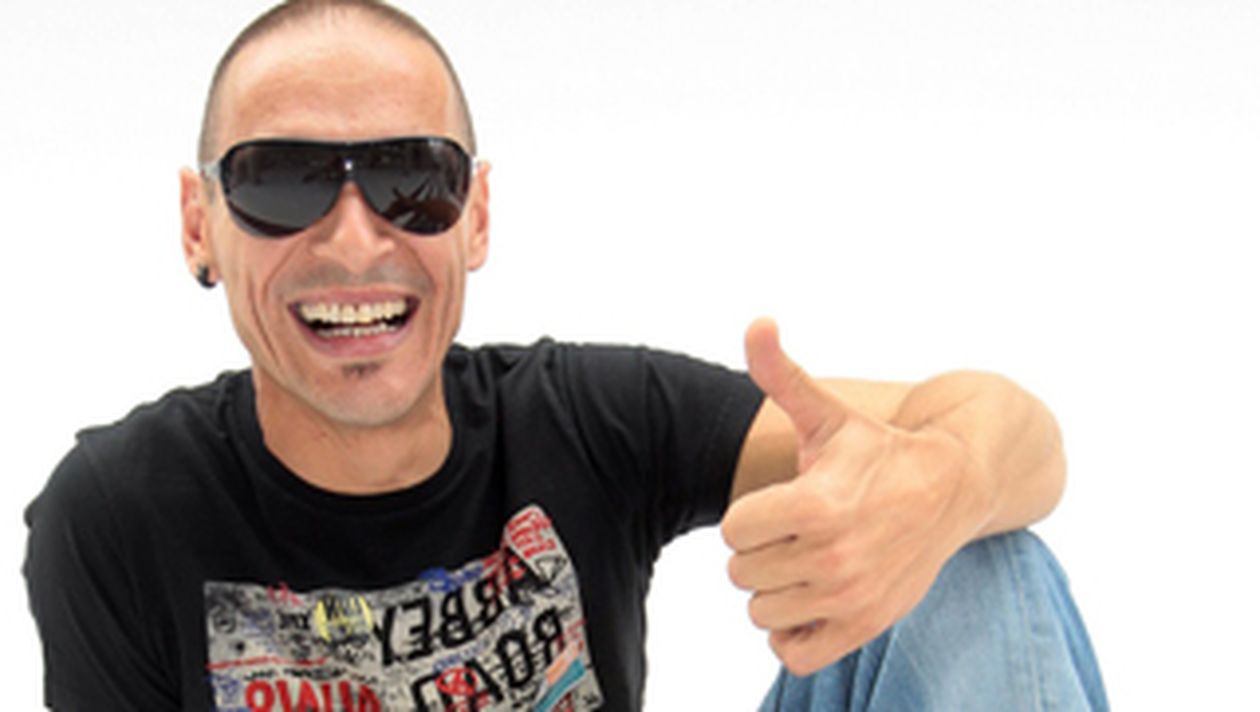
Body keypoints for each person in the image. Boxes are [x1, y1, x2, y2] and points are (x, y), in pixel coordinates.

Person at [23, 1, 1107, 710]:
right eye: (281, 180)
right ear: (199, 223)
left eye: (413, 181)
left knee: (973, 549)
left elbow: (1013, 431)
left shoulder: (585, 419)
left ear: (476, 217)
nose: (355, 241)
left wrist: (937, 490)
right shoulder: (118, 509)